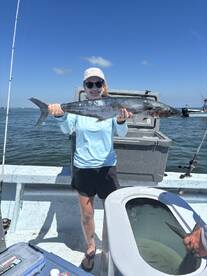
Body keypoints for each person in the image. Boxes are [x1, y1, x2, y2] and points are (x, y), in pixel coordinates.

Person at [48, 67, 132, 271]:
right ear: (84, 87)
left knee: (110, 212)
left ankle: (108, 248)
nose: (94, 88)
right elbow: (68, 130)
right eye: (90, 84)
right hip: (83, 167)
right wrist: (59, 116)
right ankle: (91, 247)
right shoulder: (78, 108)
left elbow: (121, 133)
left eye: (98, 84)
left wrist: (121, 120)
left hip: (107, 167)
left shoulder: (114, 106)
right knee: (87, 214)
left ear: (104, 86)